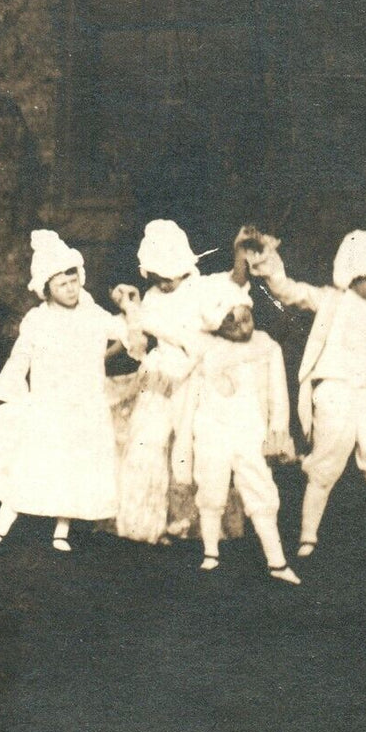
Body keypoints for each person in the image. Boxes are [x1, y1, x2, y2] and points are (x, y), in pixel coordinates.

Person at [0, 230, 141, 550]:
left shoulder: (92, 314)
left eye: (73, 280)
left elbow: (128, 334)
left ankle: (61, 530)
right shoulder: (37, 320)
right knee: (30, 463)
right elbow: (19, 360)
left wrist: (129, 306)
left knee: (72, 466)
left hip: (84, 406)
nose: (70, 289)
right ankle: (0, 529)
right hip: (48, 405)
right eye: (61, 284)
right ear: (46, 289)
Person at [246, 228, 366, 560]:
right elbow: (287, 290)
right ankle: (308, 536)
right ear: (352, 275)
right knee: (325, 462)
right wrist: (266, 260)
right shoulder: (331, 300)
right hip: (337, 391)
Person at [108, 219, 251, 544]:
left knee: (192, 449)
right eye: (156, 276)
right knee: (148, 441)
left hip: (194, 377)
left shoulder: (202, 288)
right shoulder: (151, 296)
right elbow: (140, 338)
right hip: (160, 376)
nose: (162, 282)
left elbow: (235, 283)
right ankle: (142, 523)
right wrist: (131, 309)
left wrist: (240, 251)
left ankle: (190, 522)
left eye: (167, 275)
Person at [189, 282, 302, 584]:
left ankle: (277, 561)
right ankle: (210, 553)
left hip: (250, 428)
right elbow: (195, 394)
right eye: (231, 324)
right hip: (213, 427)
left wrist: (277, 433)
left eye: (246, 319)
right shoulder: (208, 349)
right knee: (211, 484)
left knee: (260, 488)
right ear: (217, 326)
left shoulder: (266, 347)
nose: (242, 328)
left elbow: (279, 395)